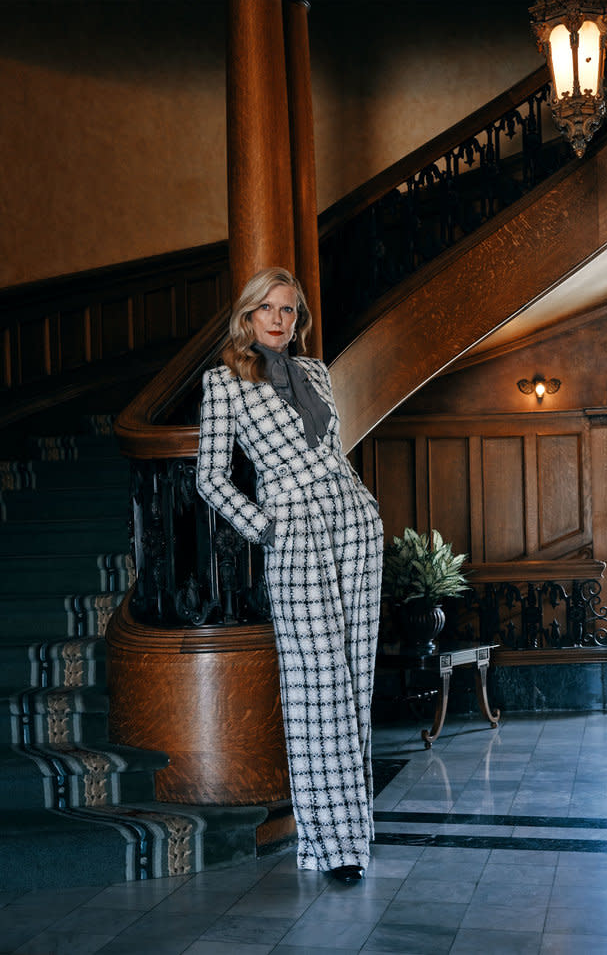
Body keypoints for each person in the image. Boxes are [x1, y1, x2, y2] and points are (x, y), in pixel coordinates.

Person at [196, 266, 383, 884]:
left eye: (290, 311)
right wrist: (266, 526)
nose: (280, 320)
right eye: (268, 309)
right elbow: (210, 477)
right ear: (247, 316)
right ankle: (330, 847)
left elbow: (333, 449)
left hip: (353, 522)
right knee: (316, 690)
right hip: (294, 533)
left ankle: (355, 834)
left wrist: (366, 508)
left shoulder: (316, 373)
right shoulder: (224, 383)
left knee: (355, 680)